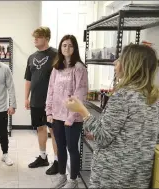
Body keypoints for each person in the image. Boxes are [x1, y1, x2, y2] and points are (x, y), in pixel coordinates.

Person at [65, 44, 159, 188]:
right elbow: (132, 133)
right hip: (138, 174)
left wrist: (82, 110)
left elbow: (103, 137)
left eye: (120, 59)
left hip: (113, 175)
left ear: (131, 65)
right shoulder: (153, 97)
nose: (115, 62)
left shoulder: (123, 96)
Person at [45, 35, 88, 188]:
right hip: (57, 115)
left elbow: (80, 94)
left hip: (72, 118)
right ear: (60, 48)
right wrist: (49, 112)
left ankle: (73, 180)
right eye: (64, 45)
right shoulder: (57, 67)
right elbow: (50, 90)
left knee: (72, 148)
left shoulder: (79, 68)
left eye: (70, 45)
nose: (66, 48)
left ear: (75, 48)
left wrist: (71, 117)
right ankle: (62, 176)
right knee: (60, 147)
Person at [24, 26, 59, 175]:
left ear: (46, 38)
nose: (35, 39)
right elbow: (28, 79)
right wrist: (26, 97)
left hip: (53, 101)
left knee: (54, 130)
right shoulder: (31, 57)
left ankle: (58, 161)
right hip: (36, 101)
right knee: (40, 128)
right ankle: (43, 157)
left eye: (38, 36)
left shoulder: (56, 55)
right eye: (34, 37)